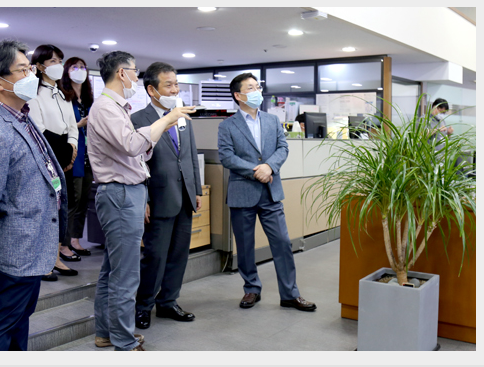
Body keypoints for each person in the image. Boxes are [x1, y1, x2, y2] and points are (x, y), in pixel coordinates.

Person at [87, 51, 195, 351]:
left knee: (113, 270)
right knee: (125, 274)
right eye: (134, 71)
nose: (137, 76)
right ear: (122, 73)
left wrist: (162, 126)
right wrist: (169, 119)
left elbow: (136, 150)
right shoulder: (107, 107)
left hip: (126, 191)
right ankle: (123, 340)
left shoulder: (116, 107)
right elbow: (134, 145)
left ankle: (106, 332)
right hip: (120, 194)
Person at [0, 39, 68, 351]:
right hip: (18, 243)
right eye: (23, 70)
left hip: (33, 237)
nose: (32, 76)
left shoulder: (19, 114)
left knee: (19, 316)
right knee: (4, 319)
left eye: (30, 68)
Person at [217, 73, 316, 312]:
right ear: (238, 95)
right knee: (245, 245)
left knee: (282, 243)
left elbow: (283, 147)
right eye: (250, 88)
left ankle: (290, 294)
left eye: (257, 87)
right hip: (243, 193)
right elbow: (226, 157)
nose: (256, 91)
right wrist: (256, 171)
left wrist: (269, 167)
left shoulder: (272, 121)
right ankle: (251, 288)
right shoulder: (227, 126)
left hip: (271, 192)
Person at [131, 62, 202, 330]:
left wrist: (195, 189)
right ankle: (143, 305)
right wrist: (144, 199)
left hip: (184, 196)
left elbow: (190, 156)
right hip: (158, 197)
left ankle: (169, 301)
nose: (175, 89)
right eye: (168, 84)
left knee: (179, 254)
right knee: (155, 256)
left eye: (176, 83)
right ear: (151, 89)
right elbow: (137, 164)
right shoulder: (138, 120)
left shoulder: (181, 116)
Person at [27, 44, 78, 280]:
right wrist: (63, 154)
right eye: (52, 61)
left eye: (60, 60)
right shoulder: (33, 92)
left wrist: (73, 148)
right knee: (46, 209)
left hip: (66, 154)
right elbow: (39, 129)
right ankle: (42, 260)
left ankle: (56, 256)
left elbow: (71, 126)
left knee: (62, 209)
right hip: (47, 155)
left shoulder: (64, 94)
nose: (58, 65)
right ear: (39, 66)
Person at [60, 57, 95, 259]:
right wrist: (79, 125)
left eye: (83, 67)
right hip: (73, 156)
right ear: (67, 70)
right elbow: (58, 128)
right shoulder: (64, 97)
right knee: (72, 201)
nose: (80, 70)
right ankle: (63, 245)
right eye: (75, 67)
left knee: (83, 201)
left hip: (90, 156)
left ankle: (75, 240)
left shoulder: (89, 99)